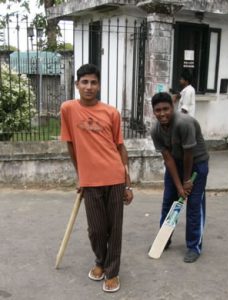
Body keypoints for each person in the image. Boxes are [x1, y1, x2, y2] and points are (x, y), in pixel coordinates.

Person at [60, 64, 133, 293]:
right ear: (77, 85)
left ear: (99, 85)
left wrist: (128, 183)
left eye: (93, 82)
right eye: (85, 82)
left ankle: (112, 272)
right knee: (97, 229)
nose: (89, 87)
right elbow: (71, 144)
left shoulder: (111, 112)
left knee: (115, 228)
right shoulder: (68, 109)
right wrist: (80, 176)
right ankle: (100, 261)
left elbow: (120, 147)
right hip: (90, 181)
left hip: (114, 176)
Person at [150, 92, 209, 263]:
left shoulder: (184, 123)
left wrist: (187, 181)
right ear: (153, 111)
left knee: (194, 205)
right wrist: (179, 187)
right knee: (169, 201)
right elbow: (168, 159)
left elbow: (189, 155)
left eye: (166, 109)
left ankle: (194, 247)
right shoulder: (155, 130)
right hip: (175, 164)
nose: (162, 114)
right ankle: (164, 239)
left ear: (173, 107)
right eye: (158, 110)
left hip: (197, 164)